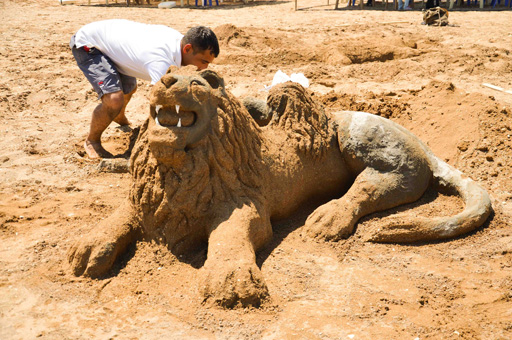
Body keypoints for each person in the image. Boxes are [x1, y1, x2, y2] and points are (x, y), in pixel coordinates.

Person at [70, 19, 220, 159]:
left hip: (115, 43)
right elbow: (159, 100)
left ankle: (118, 115)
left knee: (129, 88)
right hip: (90, 44)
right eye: (203, 61)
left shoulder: (180, 42)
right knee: (114, 99)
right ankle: (92, 141)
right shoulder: (161, 60)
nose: (203, 68)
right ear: (188, 49)